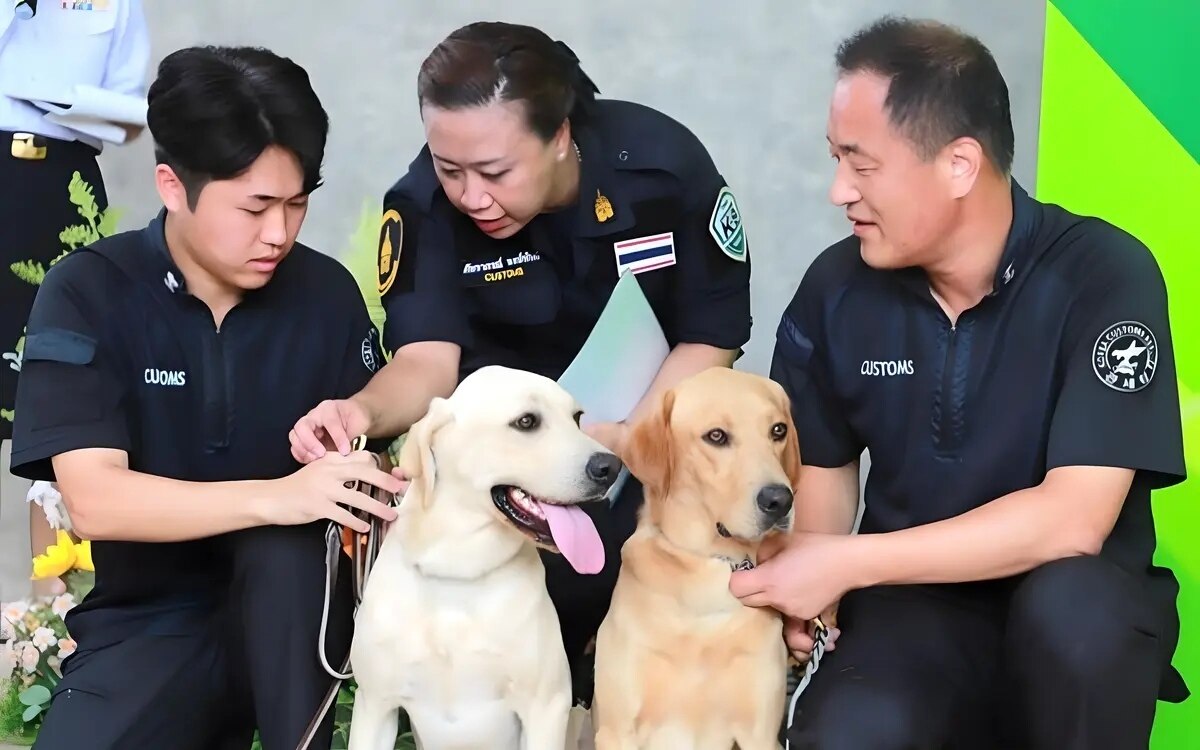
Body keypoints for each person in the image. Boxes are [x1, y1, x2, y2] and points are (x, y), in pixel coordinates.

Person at [729, 16, 1188, 750]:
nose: (838, 190)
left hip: (1070, 608)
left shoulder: (1103, 274)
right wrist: (810, 596)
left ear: (959, 165)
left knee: (1079, 619)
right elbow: (824, 470)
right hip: (912, 611)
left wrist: (847, 562)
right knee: (850, 734)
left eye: (861, 163)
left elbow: (1073, 522)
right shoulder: (837, 288)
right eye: (834, 158)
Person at [289, 21, 753, 704]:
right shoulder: (421, 211)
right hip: (517, 472)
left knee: (694, 599)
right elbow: (427, 363)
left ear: (560, 134)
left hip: (655, 434)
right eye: (451, 170)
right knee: (533, 624)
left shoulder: (662, 170)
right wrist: (360, 409)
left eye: (495, 172)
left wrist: (631, 440)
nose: (472, 196)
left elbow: (713, 335)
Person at [9, 45, 403, 750]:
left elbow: (371, 462)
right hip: (151, 621)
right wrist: (281, 495)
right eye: (255, 207)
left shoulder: (324, 297)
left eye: (297, 204)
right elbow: (96, 499)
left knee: (285, 554)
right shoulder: (89, 290)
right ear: (171, 185)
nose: (279, 233)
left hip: (303, 622)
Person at [0, 0, 150, 599]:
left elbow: (132, 111)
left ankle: (54, 621)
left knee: (58, 403)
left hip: (59, 191)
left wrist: (61, 98)